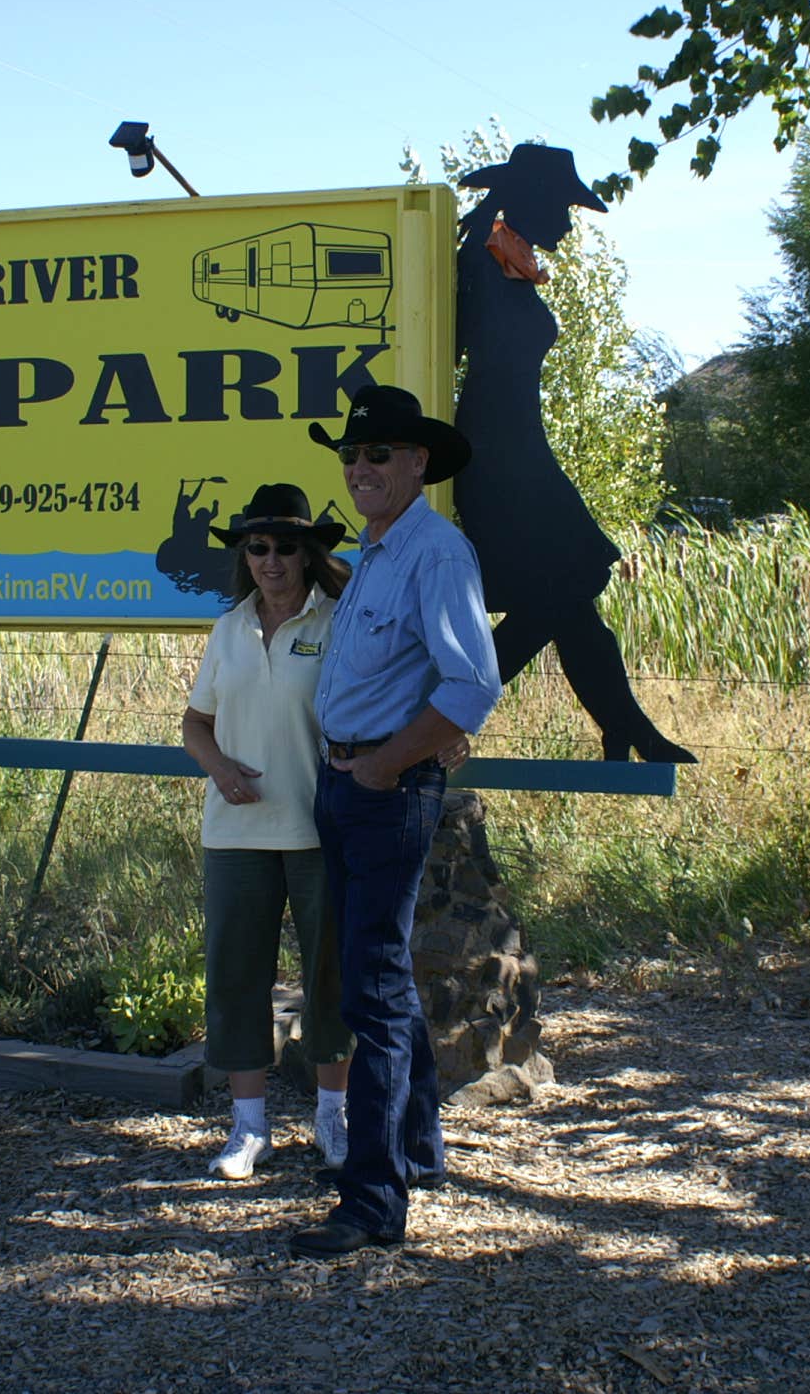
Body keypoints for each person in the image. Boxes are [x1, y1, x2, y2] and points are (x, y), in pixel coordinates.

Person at [289, 384, 502, 1259]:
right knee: (378, 975)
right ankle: (415, 1149)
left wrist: (389, 761)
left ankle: (372, 1200)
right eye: (351, 454)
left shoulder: (436, 553)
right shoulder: (379, 551)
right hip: (345, 780)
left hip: (383, 786)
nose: (361, 467)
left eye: (380, 454)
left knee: (371, 989)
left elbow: (471, 688)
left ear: (418, 463)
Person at [453, 143, 693, 762]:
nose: (567, 221)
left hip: (519, 445)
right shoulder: (480, 260)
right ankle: (444, 715)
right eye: (562, 206)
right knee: (559, 593)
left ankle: (624, 726)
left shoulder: (506, 257)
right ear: (528, 199)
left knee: (572, 598)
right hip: (495, 454)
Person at [181, 483, 355, 1179]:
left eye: (286, 546)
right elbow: (195, 723)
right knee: (236, 977)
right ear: (244, 554)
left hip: (321, 829)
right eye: (258, 546)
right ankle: (249, 1129)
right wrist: (218, 765)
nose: (272, 559)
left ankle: (332, 1118)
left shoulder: (340, 621)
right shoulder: (228, 628)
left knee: (331, 978)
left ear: (309, 553)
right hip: (236, 834)